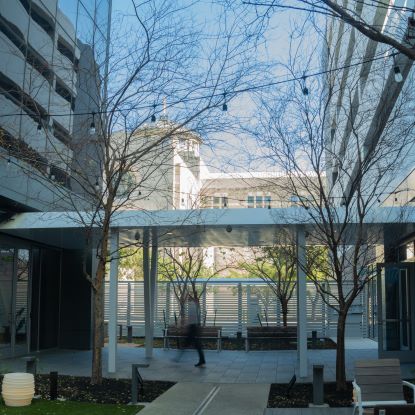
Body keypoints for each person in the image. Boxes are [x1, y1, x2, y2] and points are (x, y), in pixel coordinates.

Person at [186, 296, 206, 367]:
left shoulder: (192, 306)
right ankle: (202, 360)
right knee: (197, 346)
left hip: (193, 327)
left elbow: (192, 318)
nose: (187, 301)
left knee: (195, 345)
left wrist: (188, 326)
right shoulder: (194, 306)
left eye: (188, 299)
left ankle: (177, 358)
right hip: (194, 327)